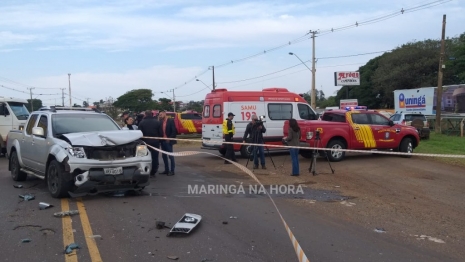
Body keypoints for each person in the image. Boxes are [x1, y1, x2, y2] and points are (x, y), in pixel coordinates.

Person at [138, 110, 163, 177]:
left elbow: (139, 133)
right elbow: (160, 133)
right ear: (152, 115)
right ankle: (153, 171)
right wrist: (158, 140)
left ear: (145, 115)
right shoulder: (157, 122)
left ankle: (144, 170)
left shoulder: (142, 122)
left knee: (143, 157)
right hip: (155, 142)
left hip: (144, 143)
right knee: (155, 157)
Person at [159, 111, 177, 176]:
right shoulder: (160, 122)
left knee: (170, 156)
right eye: (159, 115)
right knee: (164, 156)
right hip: (163, 141)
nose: (160, 116)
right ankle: (166, 170)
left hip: (168, 141)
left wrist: (169, 138)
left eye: (161, 114)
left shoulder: (170, 121)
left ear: (164, 114)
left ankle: (172, 170)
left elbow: (174, 131)